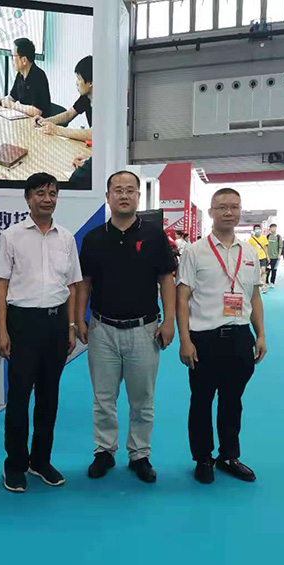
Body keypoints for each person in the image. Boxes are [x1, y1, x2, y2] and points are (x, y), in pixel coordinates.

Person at [75, 171, 177, 484]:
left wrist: (169, 320)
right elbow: (84, 283)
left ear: (138, 197)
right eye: (117, 190)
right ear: (108, 197)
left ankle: (139, 454)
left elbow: (166, 279)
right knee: (103, 399)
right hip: (102, 329)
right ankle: (104, 451)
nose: (124, 195)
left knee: (142, 399)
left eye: (130, 190)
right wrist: (79, 318)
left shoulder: (154, 236)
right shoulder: (93, 238)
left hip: (144, 329)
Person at [0, 173, 82, 493]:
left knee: (49, 397)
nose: (48, 199)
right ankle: (15, 464)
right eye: (41, 193)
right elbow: (1, 286)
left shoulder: (66, 238)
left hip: (56, 324)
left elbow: (72, 286)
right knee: (19, 398)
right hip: (22, 324)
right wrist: (2, 330)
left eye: (53, 193)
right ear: (28, 198)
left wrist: (70, 326)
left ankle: (40, 461)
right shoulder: (11, 236)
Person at [176, 188, 266, 485]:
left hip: (240, 337)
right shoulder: (194, 251)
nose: (229, 212)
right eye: (222, 207)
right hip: (204, 338)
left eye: (234, 207)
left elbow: (254, 296)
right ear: (211, 212)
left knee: (233, 400)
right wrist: (185, 340)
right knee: (201, 401)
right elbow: (182, 297)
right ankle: (203, 458)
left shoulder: (249, 252)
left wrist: (260, 334)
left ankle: (229, 456)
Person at [34, 55, 93, 188]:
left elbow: (93, 133)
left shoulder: (103, 102)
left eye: (79, 78)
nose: (76, 83)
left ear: (90, 82)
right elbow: (68, 115)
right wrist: (45, 121)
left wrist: (57, 130)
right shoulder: (86, 98)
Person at [0, 38, 52, 118]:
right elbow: (11, 98)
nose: (11, 60)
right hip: (25, 120)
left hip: (40, 122)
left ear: (24, 60)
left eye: (13, 56)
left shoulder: (38, 76)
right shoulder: (20, 75)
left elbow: (37, 111)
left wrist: (13, 106)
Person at [249, 225, 270, 293]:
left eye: (258, 229)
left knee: (263, 270)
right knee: (255, 272)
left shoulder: (264, 238)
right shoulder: (251, 239)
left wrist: (267, 256)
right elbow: (249, 249)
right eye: (256, 229)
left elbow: (265, 247)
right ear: (254, 230)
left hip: (263, 256)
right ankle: (256, 284)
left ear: (260, 230)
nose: (257, 230)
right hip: (255, 257)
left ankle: (263, 286)